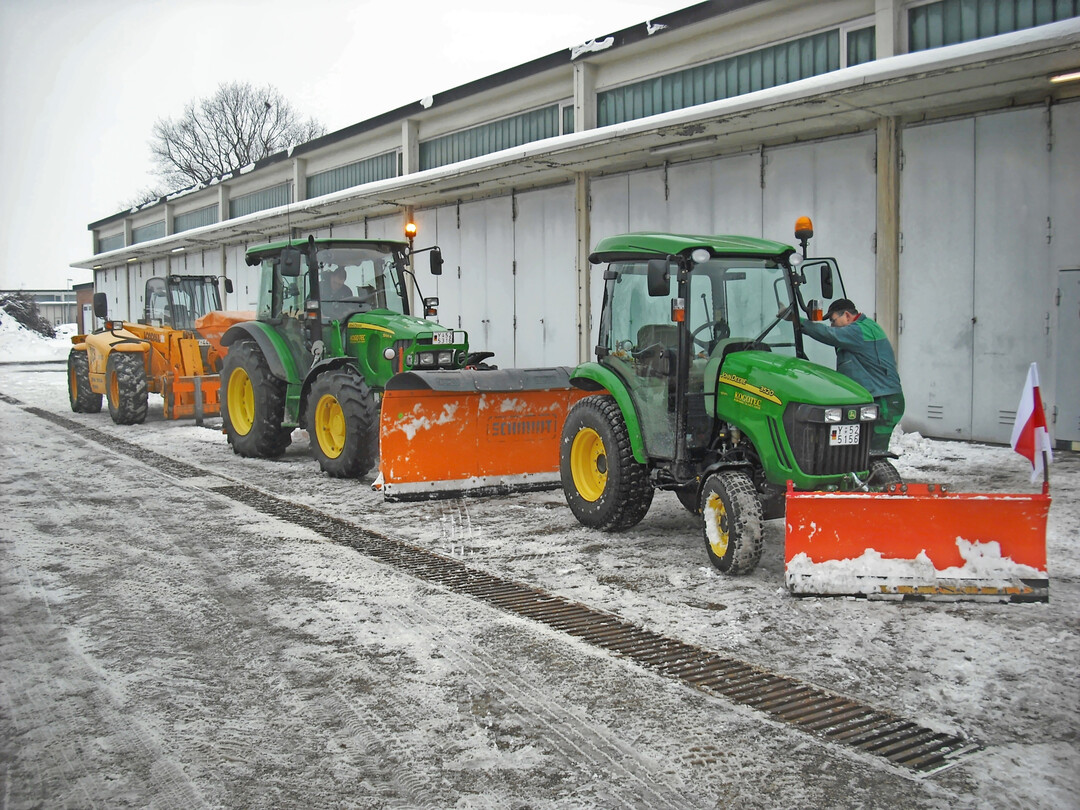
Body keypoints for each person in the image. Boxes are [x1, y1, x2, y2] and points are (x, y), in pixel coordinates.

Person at [801, 298, 904, 452]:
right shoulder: (863, 330)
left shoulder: (859, 330)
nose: (832, 325)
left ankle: (877, 475)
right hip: (877, 399)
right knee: (858, 451)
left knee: (872, 453)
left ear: (847, 316)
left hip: (884, 402)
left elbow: (828, 334)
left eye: (833, 320)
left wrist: (797, 320)